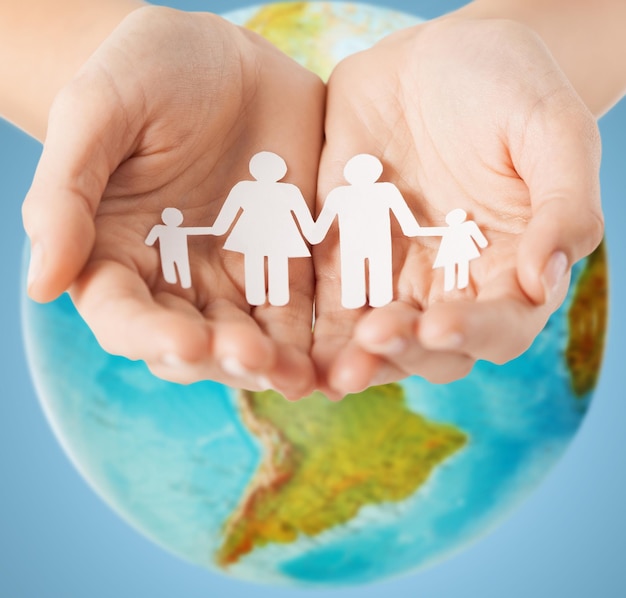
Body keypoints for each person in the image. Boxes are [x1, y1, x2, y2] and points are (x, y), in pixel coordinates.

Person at [1, 0, 624, 400]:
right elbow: (284, 216)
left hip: (368, 245)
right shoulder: (284, 192)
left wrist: (523, 43)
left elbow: (367, 216)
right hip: (300, 243)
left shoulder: (374, 190)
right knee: (295, 279)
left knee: (367, 274)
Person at [210, 151, 316, 307]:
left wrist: (217, 228)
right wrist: (314, 233)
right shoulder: (289, 191)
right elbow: (305, 219)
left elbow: (227, 215)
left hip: (254, 233)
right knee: (275, 261)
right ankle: (275, 295)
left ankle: (259, 295)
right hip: (278, 234)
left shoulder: (244, 188)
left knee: (256, 260)